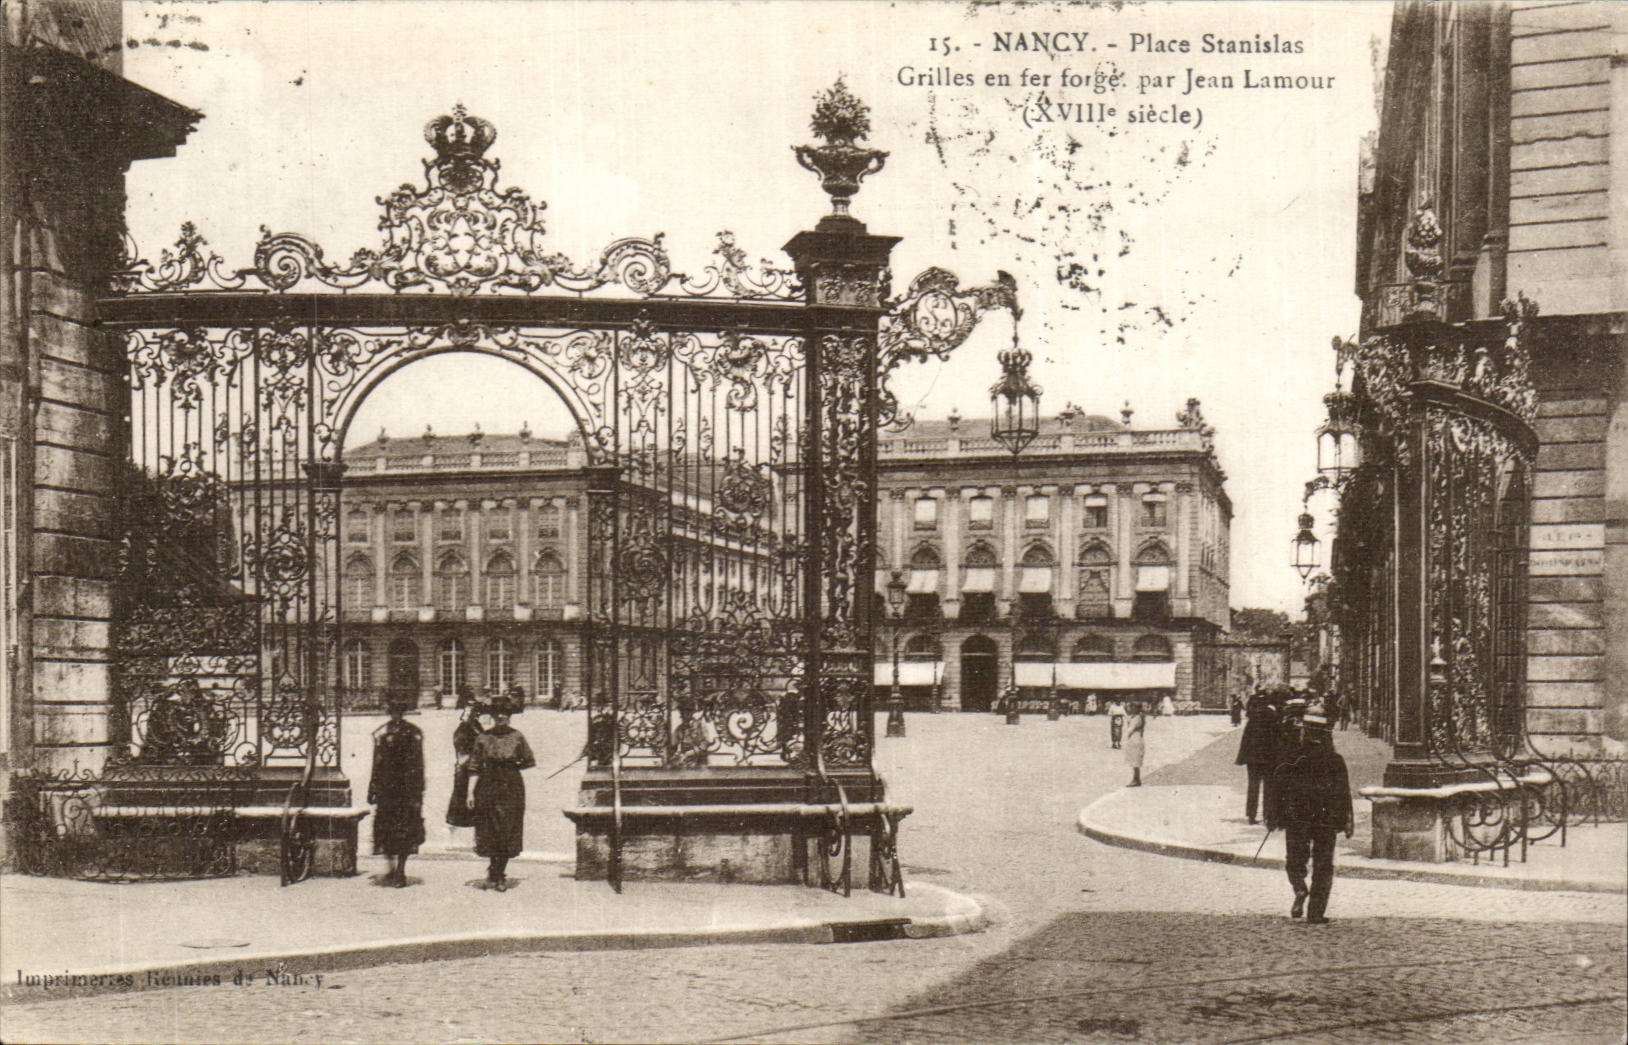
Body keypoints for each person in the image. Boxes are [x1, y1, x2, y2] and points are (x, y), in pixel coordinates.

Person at [1266, 707, 1353, 924]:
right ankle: (1316, 913)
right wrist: (1347, 820)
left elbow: (1277, 788)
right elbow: (1343, 792)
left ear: (1304, 731)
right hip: (1326, 818)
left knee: (1294, 860)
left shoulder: (1291, 757)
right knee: (1324, 865)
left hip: (1297, 817)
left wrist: (1273, 815)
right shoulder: (1335, 759)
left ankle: (1299, 888)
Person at [467, 696, 536, 890]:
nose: (500, 717)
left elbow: (529, 760)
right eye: (497, 714)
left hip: (511, 785)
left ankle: (499, 873)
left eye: (504, 714)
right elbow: (474, 766)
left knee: (507, 828)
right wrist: (470, 793)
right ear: (492, 716)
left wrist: (511, 766)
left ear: (509, 716)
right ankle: (494, 869)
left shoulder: (517, 737)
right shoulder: (483, 738)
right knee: (490, 828)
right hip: (487, 784)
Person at [367, 691, 425, 887]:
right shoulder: (381, 732)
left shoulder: (414, 732)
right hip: (386, 788)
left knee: (405, 830)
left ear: (403, 712)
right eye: (393, 711)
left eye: (399, 711)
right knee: (385, 829)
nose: (396, 715)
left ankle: (400, 870)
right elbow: (376, 762)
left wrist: (418, 790)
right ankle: (391, 867)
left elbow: (419, 763)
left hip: (406, 789)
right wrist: (372, 787)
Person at [1235, 688, 1278, 824]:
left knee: (1253, 786)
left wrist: (1242, 757)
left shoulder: (1252, 719)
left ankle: (1251, 815)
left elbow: (1245, 739)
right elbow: (1277, 738)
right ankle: (1268, 815)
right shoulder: (1273, 717)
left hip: (1253, 759)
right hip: (1269, 758)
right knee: (1269, 787)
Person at [446, 701, 483, 829]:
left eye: (473, 712)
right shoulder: (462, 729)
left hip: (476, 765)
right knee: (461, 795)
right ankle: (455, 824)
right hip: (465, 766)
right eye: (467, 712)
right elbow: (461, 750)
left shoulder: (477, 726)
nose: (469, 714)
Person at [1123, 702, 1146, 787]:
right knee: (1135, 759)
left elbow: (1130, 729)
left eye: (1133, 707)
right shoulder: (1137, 716)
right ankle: (1136, 778)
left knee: (1135, 759)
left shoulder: (1137, 718)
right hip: (1136, 737)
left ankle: (1136, 779)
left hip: (1135, 738)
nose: (1131, 709)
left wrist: (1126, 735)